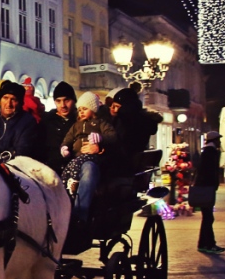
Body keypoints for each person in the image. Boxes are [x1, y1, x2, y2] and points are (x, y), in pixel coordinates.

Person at [60, 92, 117, 222]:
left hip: (93, 159)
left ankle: (80, 215)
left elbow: (112, 136)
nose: (81, 112)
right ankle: (65, 209)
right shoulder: (76, 126)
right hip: (76, 160)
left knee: (89, 170)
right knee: (67, 175)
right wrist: (64, 148)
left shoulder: (100, 124)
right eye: (79, 110)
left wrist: (101, 139)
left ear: (93, 109)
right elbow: (67, 139)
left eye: (85, 109)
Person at [103, 87, 163, 175]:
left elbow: (118, 144)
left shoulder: (124, 122)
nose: (112, 109)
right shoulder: (143, 121)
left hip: (121, 169)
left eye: (116, 106)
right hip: (136, 169)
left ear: (126, 107)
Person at [195, 130, 223, 254]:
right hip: (207, 188)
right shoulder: (210, 153)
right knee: (208, 217)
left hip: (206, 187)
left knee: (207, 217)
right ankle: (209, 244)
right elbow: (208, 172)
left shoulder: (208, 151)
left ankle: (204, 243)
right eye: (218, 139)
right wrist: (212, 184)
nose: (220, 142)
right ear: (214, 140)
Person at [41, 81, 77, 174]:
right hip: (50, 172)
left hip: (74, 171)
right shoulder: (47, 121)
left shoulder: (81, 121)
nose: (63, 105)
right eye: (58, 101)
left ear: (74, 100)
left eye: (67, 100)